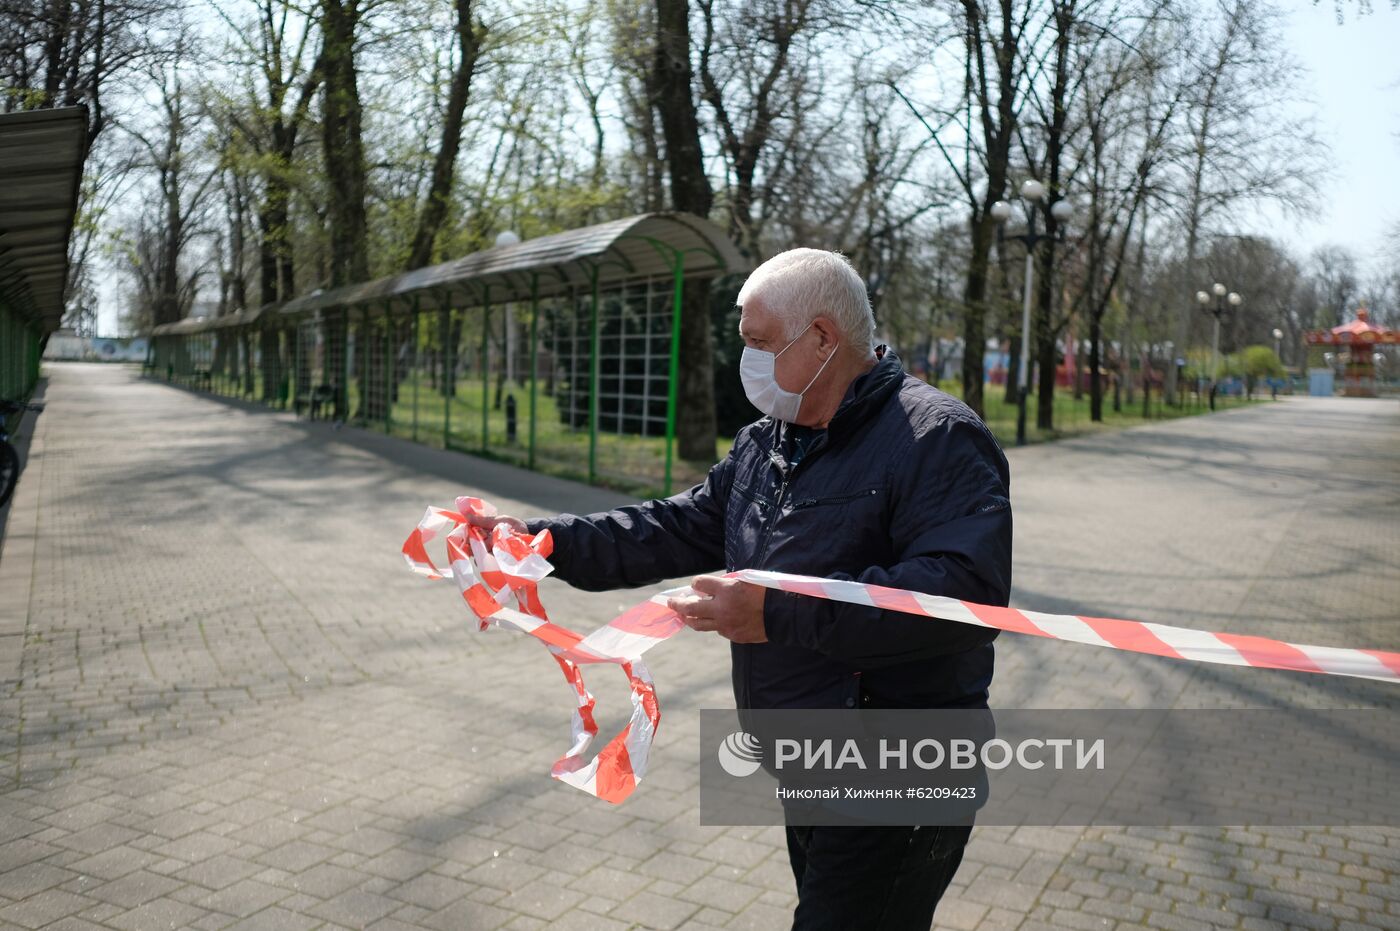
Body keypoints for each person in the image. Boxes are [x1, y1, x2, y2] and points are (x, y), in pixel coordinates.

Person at [470, 249, 1012, 930]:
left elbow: (963, 594)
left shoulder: (937, 437)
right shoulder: (769, 443)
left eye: (760, 344)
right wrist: (540, 540)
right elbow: (668, 527)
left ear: (822, 338)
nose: (748, 361)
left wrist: (776, 612)